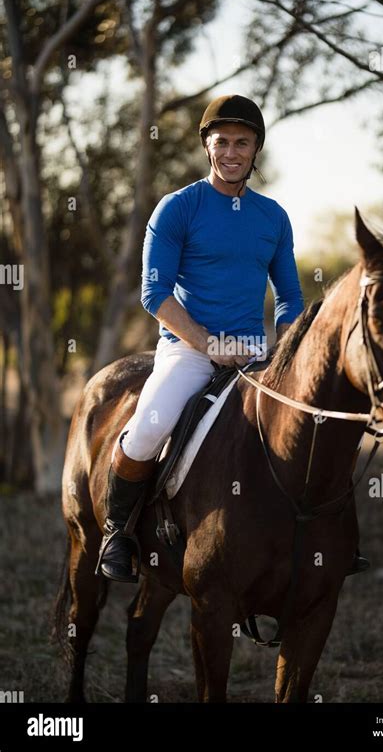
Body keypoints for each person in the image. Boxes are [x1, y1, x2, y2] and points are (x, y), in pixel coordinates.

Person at [96, 94, 305, 583]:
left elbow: (289, 296)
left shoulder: (273, 217)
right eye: (223, 142)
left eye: (243, 143)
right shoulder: (177, 208)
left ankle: (322, 538)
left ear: (256, 151)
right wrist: (209, 345)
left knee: (306, 433)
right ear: (207, 146)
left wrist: (283, 350)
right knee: (149, 427)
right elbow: (154, 292)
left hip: (255, 355)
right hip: (188, 350)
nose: (232, 152)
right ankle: (116, 530)